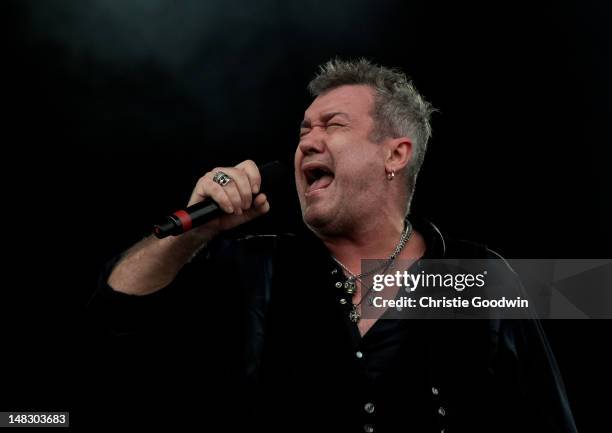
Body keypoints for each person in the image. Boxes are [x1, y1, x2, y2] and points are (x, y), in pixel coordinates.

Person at [92, 59, 577, 432]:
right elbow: (113, 319)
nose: (306, 142)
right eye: (304, 130)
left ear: (395, 153)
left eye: (333, 125)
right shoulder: (258, 266)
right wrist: (197, 231)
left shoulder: (476, 274)